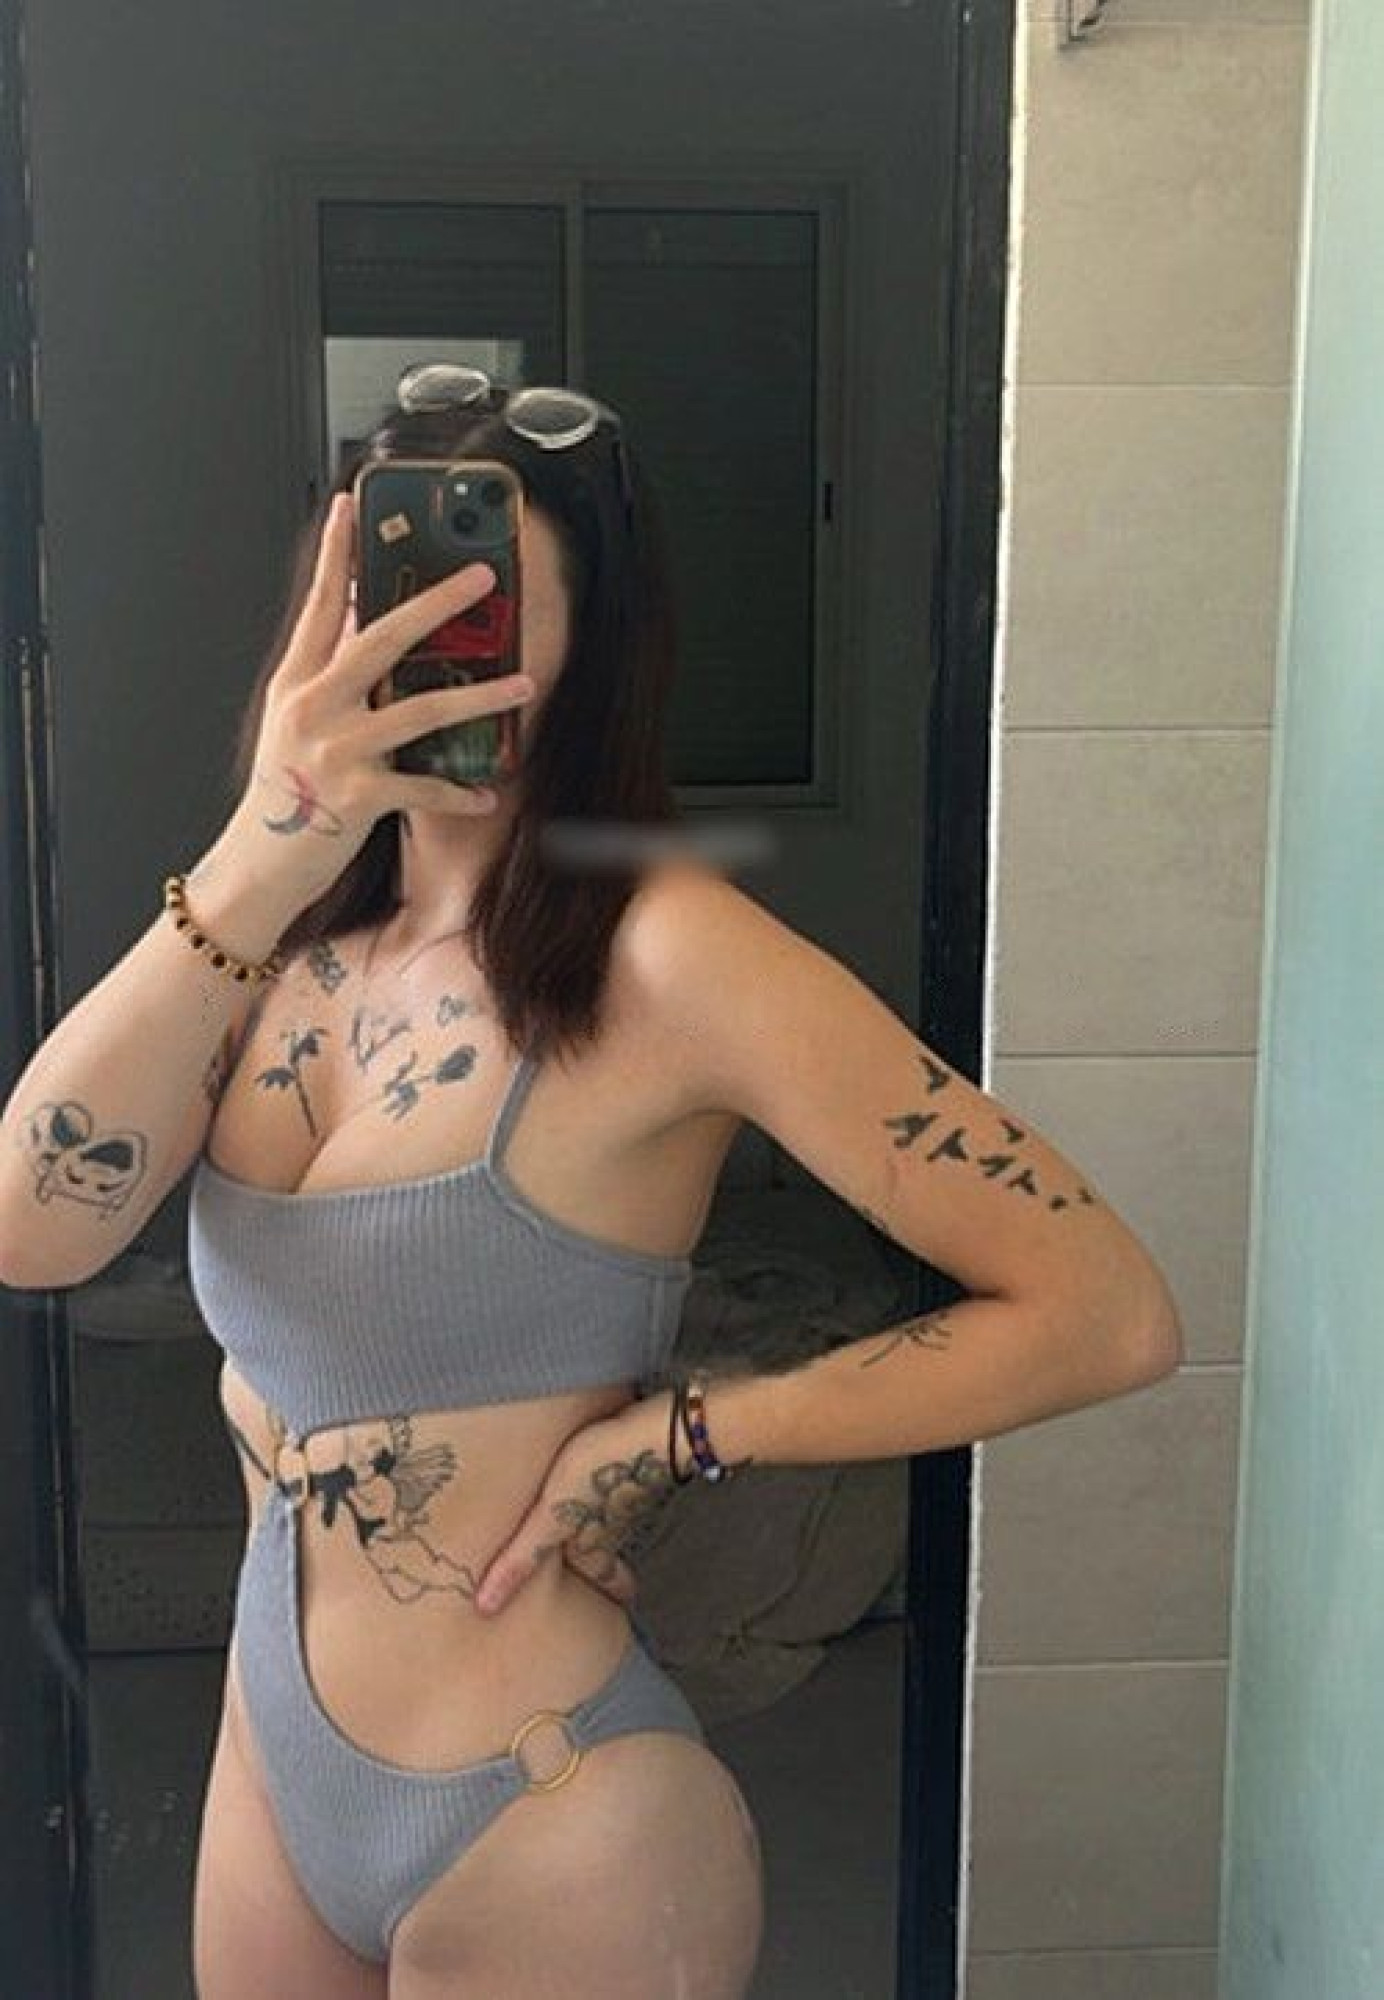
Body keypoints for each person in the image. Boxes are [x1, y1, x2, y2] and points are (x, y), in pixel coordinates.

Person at [0, 368, 1183, 1999]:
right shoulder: (270, 955)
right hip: (271, 1761)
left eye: (480, 609)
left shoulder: (673, 957)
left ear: (591, 656)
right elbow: (31, 1227)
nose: (419, 646)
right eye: (386, 596)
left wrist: (691, 1431)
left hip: (549, 1803)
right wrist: (272, 838)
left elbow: (1107, 1311)